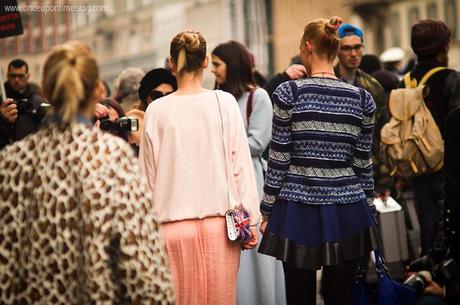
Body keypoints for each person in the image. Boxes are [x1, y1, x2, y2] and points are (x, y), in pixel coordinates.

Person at [0, 41, 175, 303]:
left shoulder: (11, 164)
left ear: (47, 91)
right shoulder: (113, 159)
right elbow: (144, 274)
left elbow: (6, 269)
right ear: (98, 89)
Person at [258, 16, 379, 305]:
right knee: (341, 296)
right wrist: (370, 208)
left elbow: (279, 158)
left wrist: (266, 210)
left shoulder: (289, 93)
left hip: (298, 207)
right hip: (349, 206)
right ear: (336, 50)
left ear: (308, 47)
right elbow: (363, 162)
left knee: (299, 297)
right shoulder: (363, 99)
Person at [139, 31, 260, 305]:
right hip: (220, 228)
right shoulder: (224, 102)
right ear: (206, 61)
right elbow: (240, 166)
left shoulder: (156, 110)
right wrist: (251, 220)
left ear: (172, 63)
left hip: (170, 228)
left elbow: (147, 178)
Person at [211, 40, 286, 305]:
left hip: (251, 181)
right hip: (224, 183)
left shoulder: (259, 97)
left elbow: (257, 142)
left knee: (255, 249)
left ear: (232, 65)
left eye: (217, 64)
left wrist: (220, 142)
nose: (212, 70)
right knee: (233, 249)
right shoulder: (217, 100)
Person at [402, 19, 460, 256]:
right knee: (451, 225)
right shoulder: (451, 78)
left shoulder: (405, 81)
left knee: (427, 224)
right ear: (444, 46)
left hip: (418, 167)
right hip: (448, 167)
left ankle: (427, 275)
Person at [334, 23, 389, 198]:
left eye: (357, 47)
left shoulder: (373, 87)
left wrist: (385, 175)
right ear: (337, 51)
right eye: (346, 48)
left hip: (368, 169)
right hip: (335, 170)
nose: (353, 53)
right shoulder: (327, 83)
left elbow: (382, 132)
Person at [0, 58, 47, 149]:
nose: (16, 80)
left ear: (27, 76)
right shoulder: (2, 100)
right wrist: (3, 120)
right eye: (13, 76)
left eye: (20, 76)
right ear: (7, 76)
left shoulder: (38, 101)